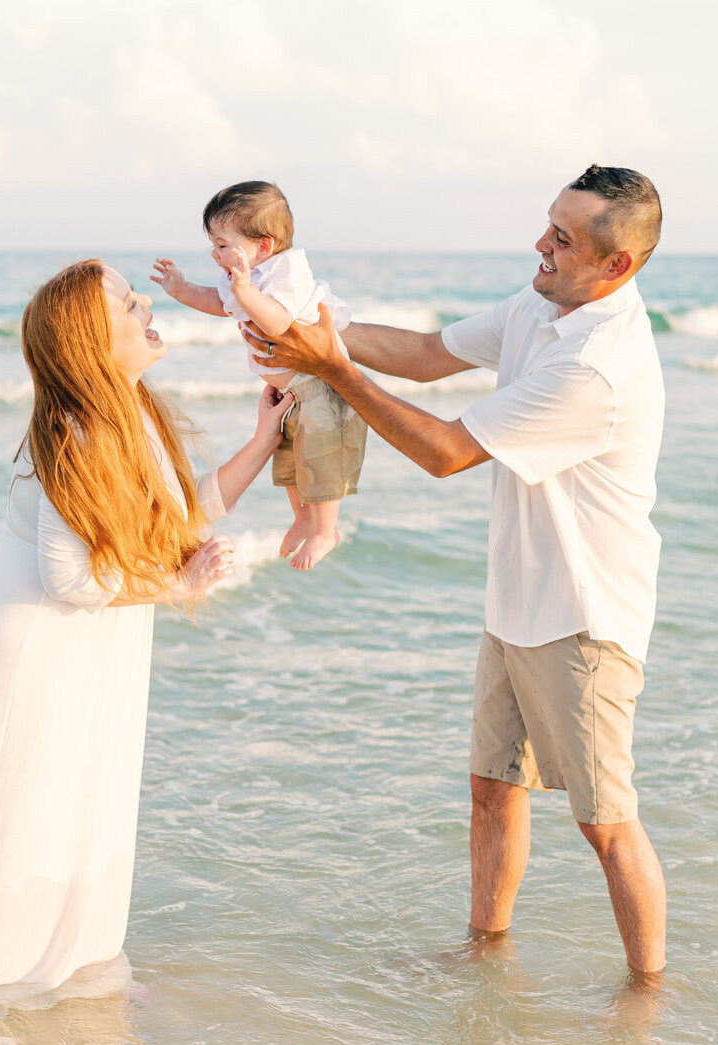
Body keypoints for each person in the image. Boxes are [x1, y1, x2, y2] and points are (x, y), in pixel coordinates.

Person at [245, 165, 668, 975]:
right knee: (492, 789)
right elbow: (431, 353)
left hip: (584, 615)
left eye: (563, 238)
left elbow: (444, 451)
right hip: (515, 601)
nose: (540, 245)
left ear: (616, 265)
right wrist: (308, 327)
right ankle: (483, 951)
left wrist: (331, 369)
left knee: (606, 823)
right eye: (548, 224)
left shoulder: (595, 368)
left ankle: (648, 995)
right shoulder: (543, 300)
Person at [0, 260, 291, 1024]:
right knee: (6, 824)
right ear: (93, 341)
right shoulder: (78, 431)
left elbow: (181, 518)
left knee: (84, 798)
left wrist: (263, 440)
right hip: (27, 640)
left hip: (71, 632)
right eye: (128, 302)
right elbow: (68, 578)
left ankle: (77, 964)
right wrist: (181, 586)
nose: (146, 301)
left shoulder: (131, 412)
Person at [151, 181, 366, 570]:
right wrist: (182, 290)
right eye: (212, 245)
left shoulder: (286, 272)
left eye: (221, 245)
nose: (214, 255)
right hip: (294, 392)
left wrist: (247, 289)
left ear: (263, 245)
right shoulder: (245, 275)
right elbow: (221, 302)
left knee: (320, 459)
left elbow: (278, 319)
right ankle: (303, 518)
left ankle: (325, 530)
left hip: (320, 387)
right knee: (291, 460)